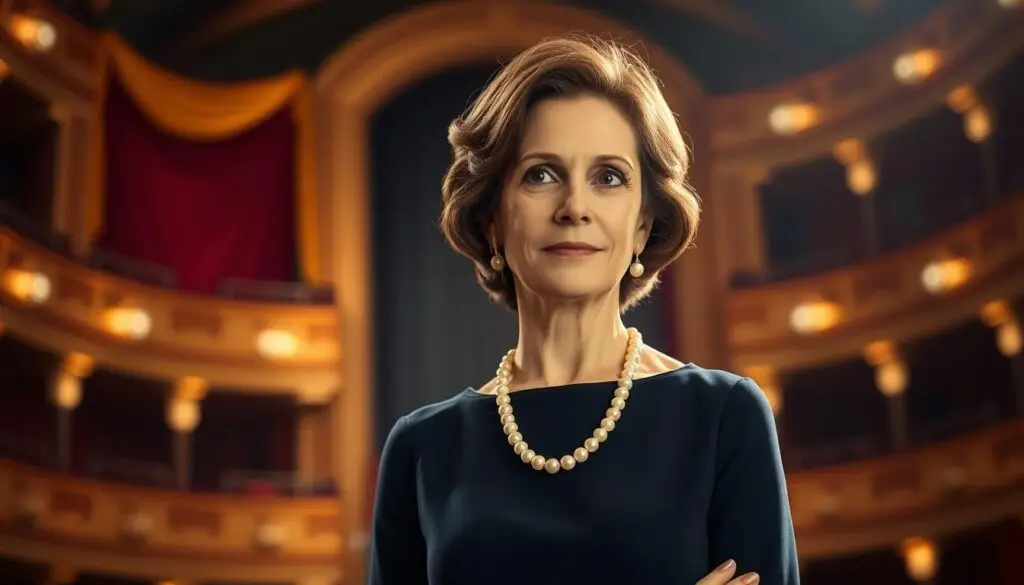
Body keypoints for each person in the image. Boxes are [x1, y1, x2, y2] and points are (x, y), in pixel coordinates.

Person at [368, 35, 800, 585]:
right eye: (541, 174)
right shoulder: (421, 449)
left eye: (609, 177)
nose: (575, 207)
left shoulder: (724, 415)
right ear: (492, 221)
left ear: (643, 226)